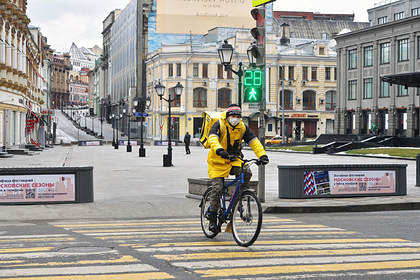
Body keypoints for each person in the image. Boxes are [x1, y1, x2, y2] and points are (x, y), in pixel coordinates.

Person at [206, 104, 269, 232]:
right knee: (217, 188)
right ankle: (212, 219)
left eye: (238, 117)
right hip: (217, 160)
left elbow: (254, 142)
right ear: (228, 117)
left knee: (246, 172)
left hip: (233, 159)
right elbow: (212, 138)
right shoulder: (220, 124)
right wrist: (219, 150)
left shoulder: (242, 128)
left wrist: (262, 155)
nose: (235, 119)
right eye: (233, 116)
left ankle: (239, 196)